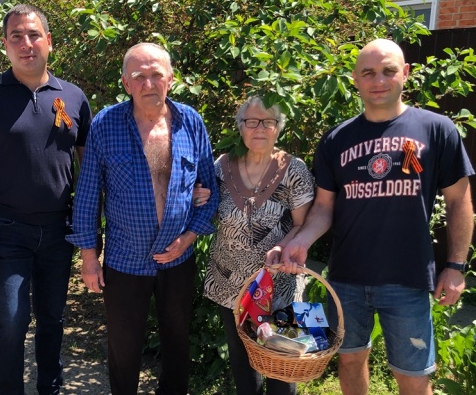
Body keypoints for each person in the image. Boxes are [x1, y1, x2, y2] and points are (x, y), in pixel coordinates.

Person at [280, 38, 475, 395]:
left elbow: (459, 202)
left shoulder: (436, 129)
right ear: (355, 78)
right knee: (350, 360)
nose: (379, 80)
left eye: (388, 70)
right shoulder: (337, 138)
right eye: (368, 72)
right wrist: (302, 240)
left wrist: (455, 266)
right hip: (346, 278)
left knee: (413, 375)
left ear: (406, 73)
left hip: (407, 277)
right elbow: (324, 207)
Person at [67, 42, 219, 395]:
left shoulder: (191, 122)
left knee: (177, 340)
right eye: (139, 76)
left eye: (156, 75)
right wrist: (89, 258)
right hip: (125, 259)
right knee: (123, 346)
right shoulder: (106, 124)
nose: (148, 83)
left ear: (171, 79)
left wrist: (189, 237)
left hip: (178, 256)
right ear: (126, 82)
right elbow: (88, 195)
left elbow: (210, 189)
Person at [0, 4, 92, 395]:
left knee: (52, 320)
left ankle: (50, 388)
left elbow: (90, 170)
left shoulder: (73, 97)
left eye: (33, 35)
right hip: (7, 230)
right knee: (13, 322)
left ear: (48, 41)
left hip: (58, 230)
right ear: (5, 44)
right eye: (16, 36)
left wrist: (89, 235)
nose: (26, 43)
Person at [203, 96, 314, 395]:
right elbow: (206, 208)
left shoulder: (294, 170)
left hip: (280, 283)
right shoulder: (220, 167)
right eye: (251, 121)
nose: (260, 128)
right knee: (243, 365)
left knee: (282, 365)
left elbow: (303, 225)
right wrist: (199, 198)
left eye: (268, 122)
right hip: (231, 284)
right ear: (241, 127)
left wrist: (283, 247)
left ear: (279, 127)